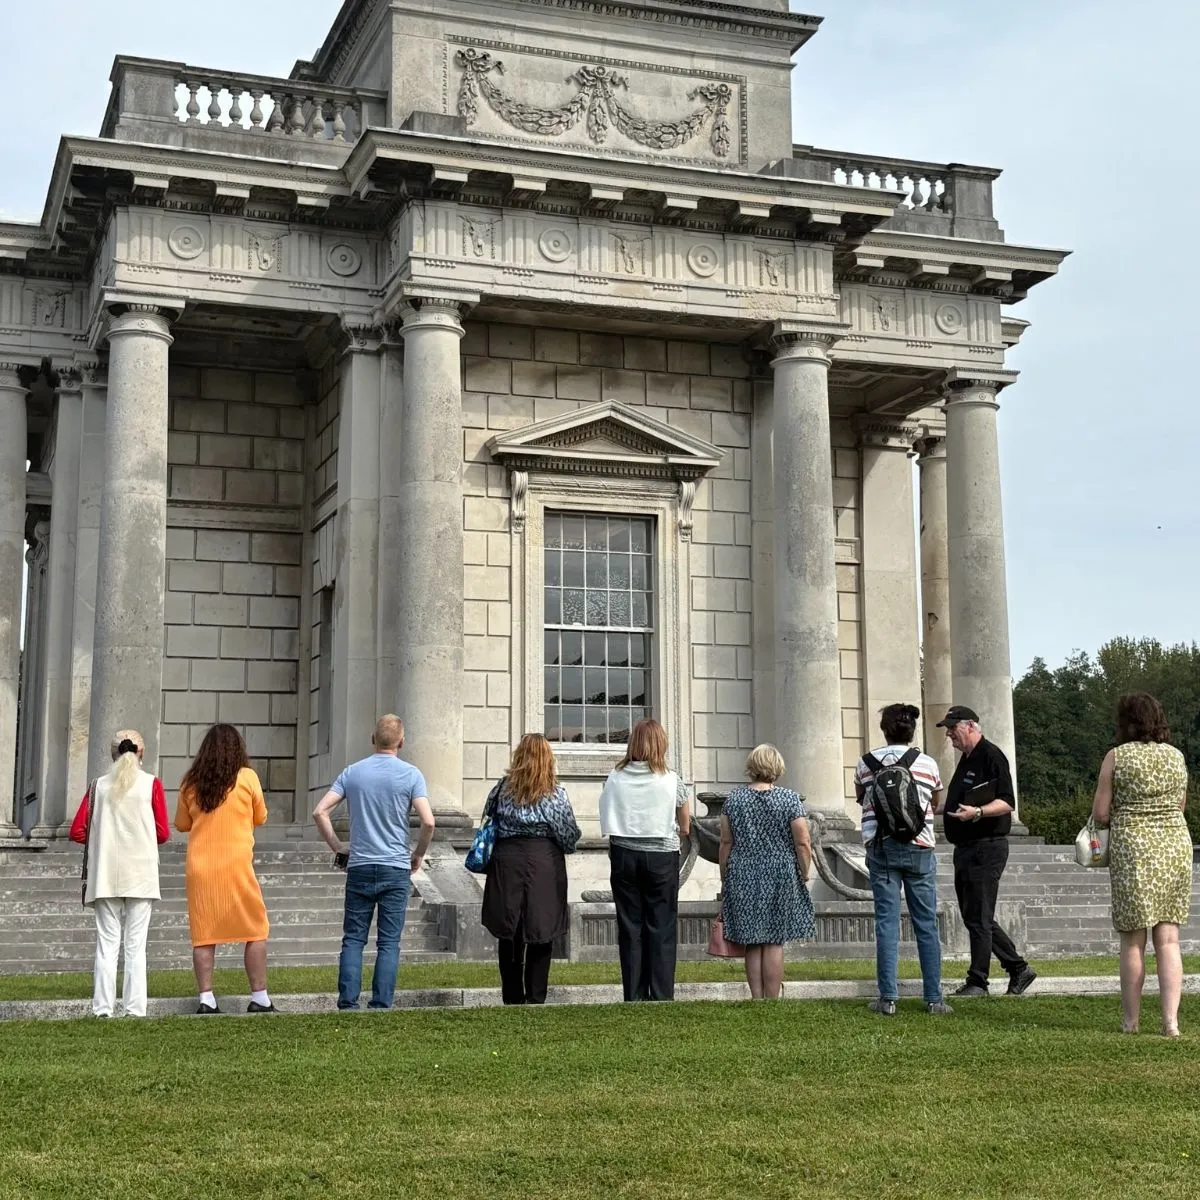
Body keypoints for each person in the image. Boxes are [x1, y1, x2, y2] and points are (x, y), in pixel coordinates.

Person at [313, 715, 436, 1011]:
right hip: (395, 866)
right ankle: (381, 1002)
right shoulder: (411, 775)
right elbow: (429, 822)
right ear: (401, 741)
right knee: (389, 942)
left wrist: (338, 847)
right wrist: (417, 854)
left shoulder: (353, 772)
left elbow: (320, 812)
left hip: (360, 865)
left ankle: (348, 1001)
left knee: (354, 938)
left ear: (373, 738)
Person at [1090, 692, 1192, 1037]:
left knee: (1133, 940)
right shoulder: (1176, 756)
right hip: (1175, 844)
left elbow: (1101, 814)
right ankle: (1171, 1023)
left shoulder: (1116, 757)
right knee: (1169, 938)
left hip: (1134, 846)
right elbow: (1179, 806)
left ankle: (1131, 1022)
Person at [854, 704, 952, 1016]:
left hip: (881, 847)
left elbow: (863, 798)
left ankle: (888, 998)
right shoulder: (927, 763)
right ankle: (934, 998)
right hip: (920, 846)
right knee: (926, 923)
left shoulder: (865, 763)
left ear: (884, 730)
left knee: (886, 923)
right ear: (912, 732)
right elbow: (934, 803)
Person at [68, 730, 170, 1018]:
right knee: (136, 946)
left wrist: (101, 838)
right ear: (141, 752)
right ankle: (135, 1008)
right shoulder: (152, 784)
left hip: (105, 874)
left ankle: (102, 1008)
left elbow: (76, 831)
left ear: (112, 754)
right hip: (141, 872)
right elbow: (162, 833)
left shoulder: (97, 787)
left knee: (106, 944)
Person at [174, 723, 273, 1015]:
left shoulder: (191, 782)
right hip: (236, 864)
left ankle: (207, 998)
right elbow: (261, 816)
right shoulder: (247, 777)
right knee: (256, 928)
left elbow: (182, 824)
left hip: (201, 866)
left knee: (204, 934)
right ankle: (260, 997)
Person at [938, 705, 1036, 998]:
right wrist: (941, 808)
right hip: (966, 847)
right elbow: (962, 798)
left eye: (952, 729)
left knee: (979, 917)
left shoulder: (991, 756)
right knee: (974, 915)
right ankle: (1018, 968)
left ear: (970, 726)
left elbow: (1007, 802)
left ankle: (978, 981)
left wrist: (978, 812)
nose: (949, 735)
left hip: (986, 847)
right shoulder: (967, 759)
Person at [481, 733, 581, 1004]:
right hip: (543, 862)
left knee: (509, 931)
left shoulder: (502, 789)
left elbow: (489, 817)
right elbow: (568, 836)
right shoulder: (555, 793)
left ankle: (512, 996)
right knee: (542, 929)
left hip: (507, 860)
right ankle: (536, 997)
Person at [599, 718, 691, 1001]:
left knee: (630, 925)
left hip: (624, 854)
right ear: (660, 744)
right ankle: (661, 994)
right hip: (662, 855)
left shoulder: (614, 777)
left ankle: (634, 994)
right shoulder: (671, 779)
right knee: (661, 925)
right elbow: (685, 825)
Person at [719, 744, 814, 999]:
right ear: (777, 767)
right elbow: (802, 841)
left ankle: (756, 997)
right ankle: (772, 999)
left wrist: (724, 875)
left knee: (751, 938)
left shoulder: (734, 799)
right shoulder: (789, 799)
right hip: (780, 871)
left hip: (743, 870)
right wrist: (804, 872)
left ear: (752, 766)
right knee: (774, 939)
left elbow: (726, 841)